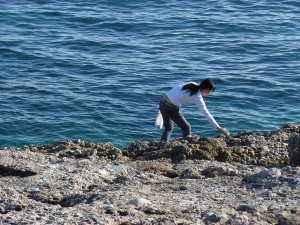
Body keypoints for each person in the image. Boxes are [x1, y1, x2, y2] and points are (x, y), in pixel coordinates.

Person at [159, 78, 229, 142]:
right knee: (186, 127)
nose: (209, 94)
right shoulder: (197, 97)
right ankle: (186, 145)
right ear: (207, 89)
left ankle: (162, 144)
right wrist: (218, 127)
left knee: (168, 128)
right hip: (170, 107)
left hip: (162, 102)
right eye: (210, 91)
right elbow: (206, 113)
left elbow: (177, 89)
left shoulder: (192, 84)